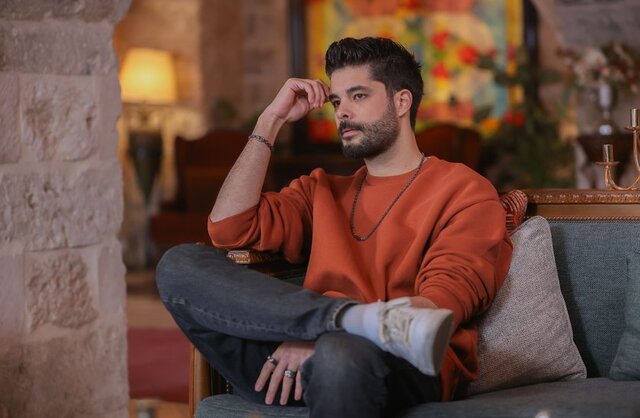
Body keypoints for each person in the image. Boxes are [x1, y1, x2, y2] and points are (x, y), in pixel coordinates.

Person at [156, 37, 512, 417]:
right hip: (293, 358)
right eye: (337, 101)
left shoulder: (464, 191)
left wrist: (324, 336)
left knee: (339, 352)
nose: (342, 112)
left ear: (402, 102)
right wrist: (270, 121)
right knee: (179, 265)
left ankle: (339, 330)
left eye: (358, 96)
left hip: (401, 362)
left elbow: (436, 308)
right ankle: (342, 320)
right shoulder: (321, 190)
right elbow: (228, 228)